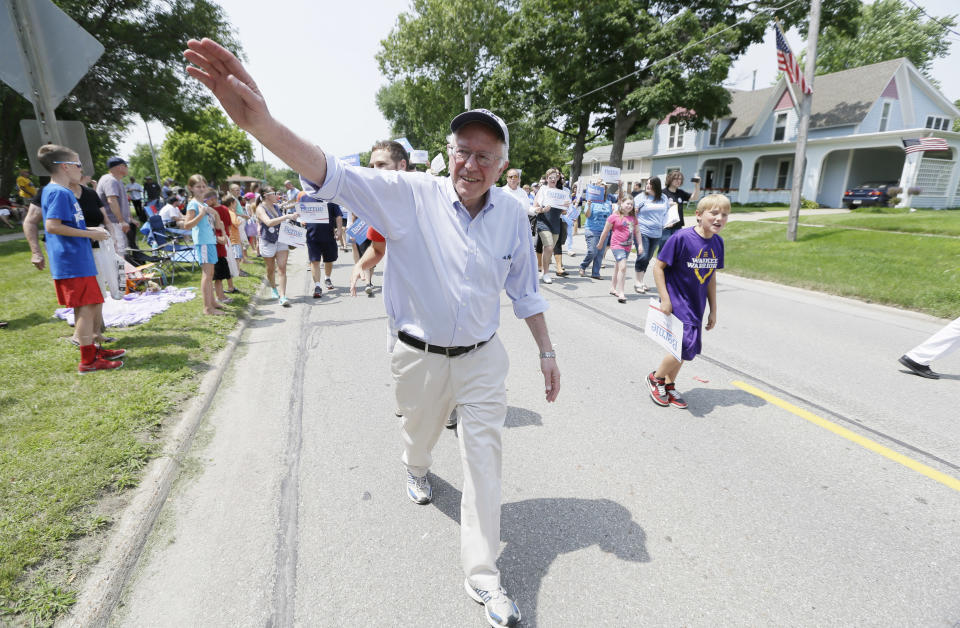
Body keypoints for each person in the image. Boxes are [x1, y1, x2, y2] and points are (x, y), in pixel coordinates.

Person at [185, 37, 561, 628]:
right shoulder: (409, 196)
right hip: (418, 357)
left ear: (503, 164)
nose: (472, 165)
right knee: (419, 435)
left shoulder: (513, 212)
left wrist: (545, 348)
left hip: (483, 359)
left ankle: (484, 578)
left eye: (486, 157)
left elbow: (526, 290)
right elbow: (327, 170)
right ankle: (414, 466)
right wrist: (261, 124)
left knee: (484, 460)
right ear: (448, 153)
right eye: (464, 151)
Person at [36, 144, 125, 372]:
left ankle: (94, 349)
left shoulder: (64, 191)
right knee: (85, 308)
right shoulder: (57, 191)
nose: (81, 169)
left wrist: (91, 230)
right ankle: (88, 360)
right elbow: (52, 226)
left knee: (94, 302)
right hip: (71, 261)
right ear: (65, 167)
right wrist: (90, 233)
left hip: (80, 258)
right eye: (77, 164)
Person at [648, 194, 730, 409]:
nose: (719, 218)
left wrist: (713, 310)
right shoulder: (681, 238)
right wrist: (665, 299)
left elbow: (711, 276)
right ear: (698, 215)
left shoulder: (718, 243)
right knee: (685, 344)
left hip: (696, 303)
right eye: (713, 213)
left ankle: (669, 384)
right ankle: (656, 378)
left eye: (724, 214)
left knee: (685, 347)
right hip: (676, 300)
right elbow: (658, 267)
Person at [349, 140, 408, 297]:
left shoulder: (427, 194)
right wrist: (360, 264)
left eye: (381, 164)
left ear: (402, 165)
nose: (374, 171)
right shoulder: (381, 207)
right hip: (402, 299)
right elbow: (377, 249)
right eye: (372, 166)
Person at [183, 175, 225, 315]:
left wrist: (216, 215)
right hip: (203, 243)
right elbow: (187, 225)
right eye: (198, 186)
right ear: (191, 188)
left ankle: (212, 302)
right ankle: (207, 308)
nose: (201, 189)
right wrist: (201, 214)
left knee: (211, 274)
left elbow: (216, 225)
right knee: (207, 275)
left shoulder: (205, 204)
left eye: (203, 186)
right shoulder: (193, 204)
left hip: (210, 241)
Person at [256, 186, 299, 306]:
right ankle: (273, 288)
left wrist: (293, 218)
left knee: (282, 268)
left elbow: (281, 222)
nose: (277, 196)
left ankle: (283, 296)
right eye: (274, 193)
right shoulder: (260, 208)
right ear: (266, 195)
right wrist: (286, 216)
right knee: (270, 269)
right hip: (267, 241)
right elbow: (269, 222)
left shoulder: (276, 207)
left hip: (281, 239)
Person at [595, 193, 640, 303]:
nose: (629, 206)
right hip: (617, 245)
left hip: (628, 246)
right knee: (623, 267)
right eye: (627, 203)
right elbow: (605, 231)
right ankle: (621, 292)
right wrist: (600, 243)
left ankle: (613, 288)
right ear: (621, 203)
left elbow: (637, 232)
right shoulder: (613, 217)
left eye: (631, 204)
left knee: (618, 267)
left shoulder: (633, 218)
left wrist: (641, 245)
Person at [300, 190, 343, 298]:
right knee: (314, 261)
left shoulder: (330, 196)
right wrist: (301, 220)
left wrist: (339, 230)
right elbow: (300, 214)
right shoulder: (304, 198)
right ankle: (317, 286)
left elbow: (338, 216)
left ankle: (327, 278)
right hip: (312, 236)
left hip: (328, 235)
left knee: (329, 259)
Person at [632, 176, 670, 294]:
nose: (648, 186)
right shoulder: (641, 197)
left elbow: (667, 212)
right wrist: (634, 211)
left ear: (656, 186)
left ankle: (641, 281)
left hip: (657, 232)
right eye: (647, 184)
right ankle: (637, 282)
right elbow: (629, 210)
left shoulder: (663, 198)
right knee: (642, 256)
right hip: (642, 230)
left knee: (648, 258)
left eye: (650, 184)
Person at [531, 167, 568, 284]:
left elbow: (564, 212)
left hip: (556, 224)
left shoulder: (561, 193)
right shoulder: (542, 190)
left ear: (558, 178)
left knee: (549, 249)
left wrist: (566, 206)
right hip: (543, 223)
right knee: (548, 246)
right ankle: (546, 273)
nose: (553, 179)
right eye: (550, 177)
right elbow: (534, 207)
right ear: (547, 179)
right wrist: (542, 209)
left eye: (555, 177)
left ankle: (543, 271)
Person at [96, 156, 139, 255]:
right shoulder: (110, 180)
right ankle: (120, 271)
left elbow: (122, 203)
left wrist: (129, 218)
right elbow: (112, 201)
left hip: (117, 222)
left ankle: (123, 270)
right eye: (125, 165)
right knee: (119, 252)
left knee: (123, 250)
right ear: (120, 167)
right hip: (113, 222)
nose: (127, 168)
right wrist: (121, 221)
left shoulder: (117, 181)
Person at [205, 189, 238, 300]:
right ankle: (228, 289)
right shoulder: (223, 209)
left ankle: (225, 291)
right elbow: (227, 225)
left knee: (221, 270)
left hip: (219, 239)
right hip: (221, 240)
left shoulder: (210, 210)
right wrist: (225, 235)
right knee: (221, 270)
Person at [659, 170, 701, 253]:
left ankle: (672, 266)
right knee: (664, 249)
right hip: (665, 227)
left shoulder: (680, 193)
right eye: (676, 178)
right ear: (670, 179)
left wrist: (697, 185)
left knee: (676, 249)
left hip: (678, 227)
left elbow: (694, 198)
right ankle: (659, 266)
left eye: (680, 179)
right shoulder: (662, 193)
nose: (678, 181)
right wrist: (668, 205)